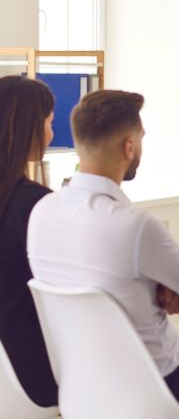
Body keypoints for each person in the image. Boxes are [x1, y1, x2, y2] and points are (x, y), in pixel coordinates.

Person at [27, 90, 179, 417]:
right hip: (159, 388)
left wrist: (153, 287)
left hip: (84, 388)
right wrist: (170, 288)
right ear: (129, 147)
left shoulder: (41, 212)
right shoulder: (134, 226)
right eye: (141, 138)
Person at [0, 76, 58, 407]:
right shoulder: (36, 205)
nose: (51, 133)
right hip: (31, 372)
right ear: (30, 128)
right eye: (49, 122)